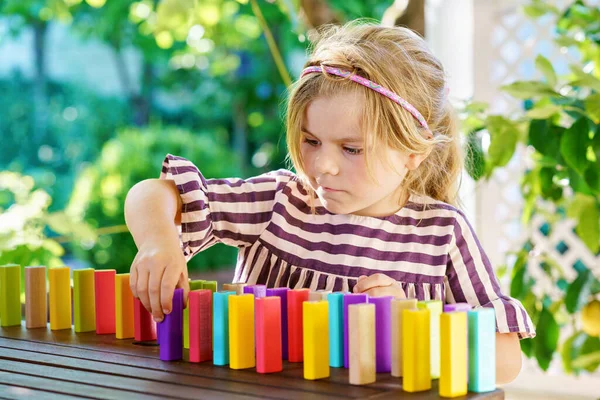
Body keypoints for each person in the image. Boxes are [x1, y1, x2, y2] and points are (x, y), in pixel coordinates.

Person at [124, 21, 534, 383]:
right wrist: (159, 241)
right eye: (311, 141)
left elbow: (505, 357)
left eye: (351, 149)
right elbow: (156, 193)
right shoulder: (279, 203)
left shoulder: (442, 233)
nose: (323, 165)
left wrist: (412, 325)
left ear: (413, 154)